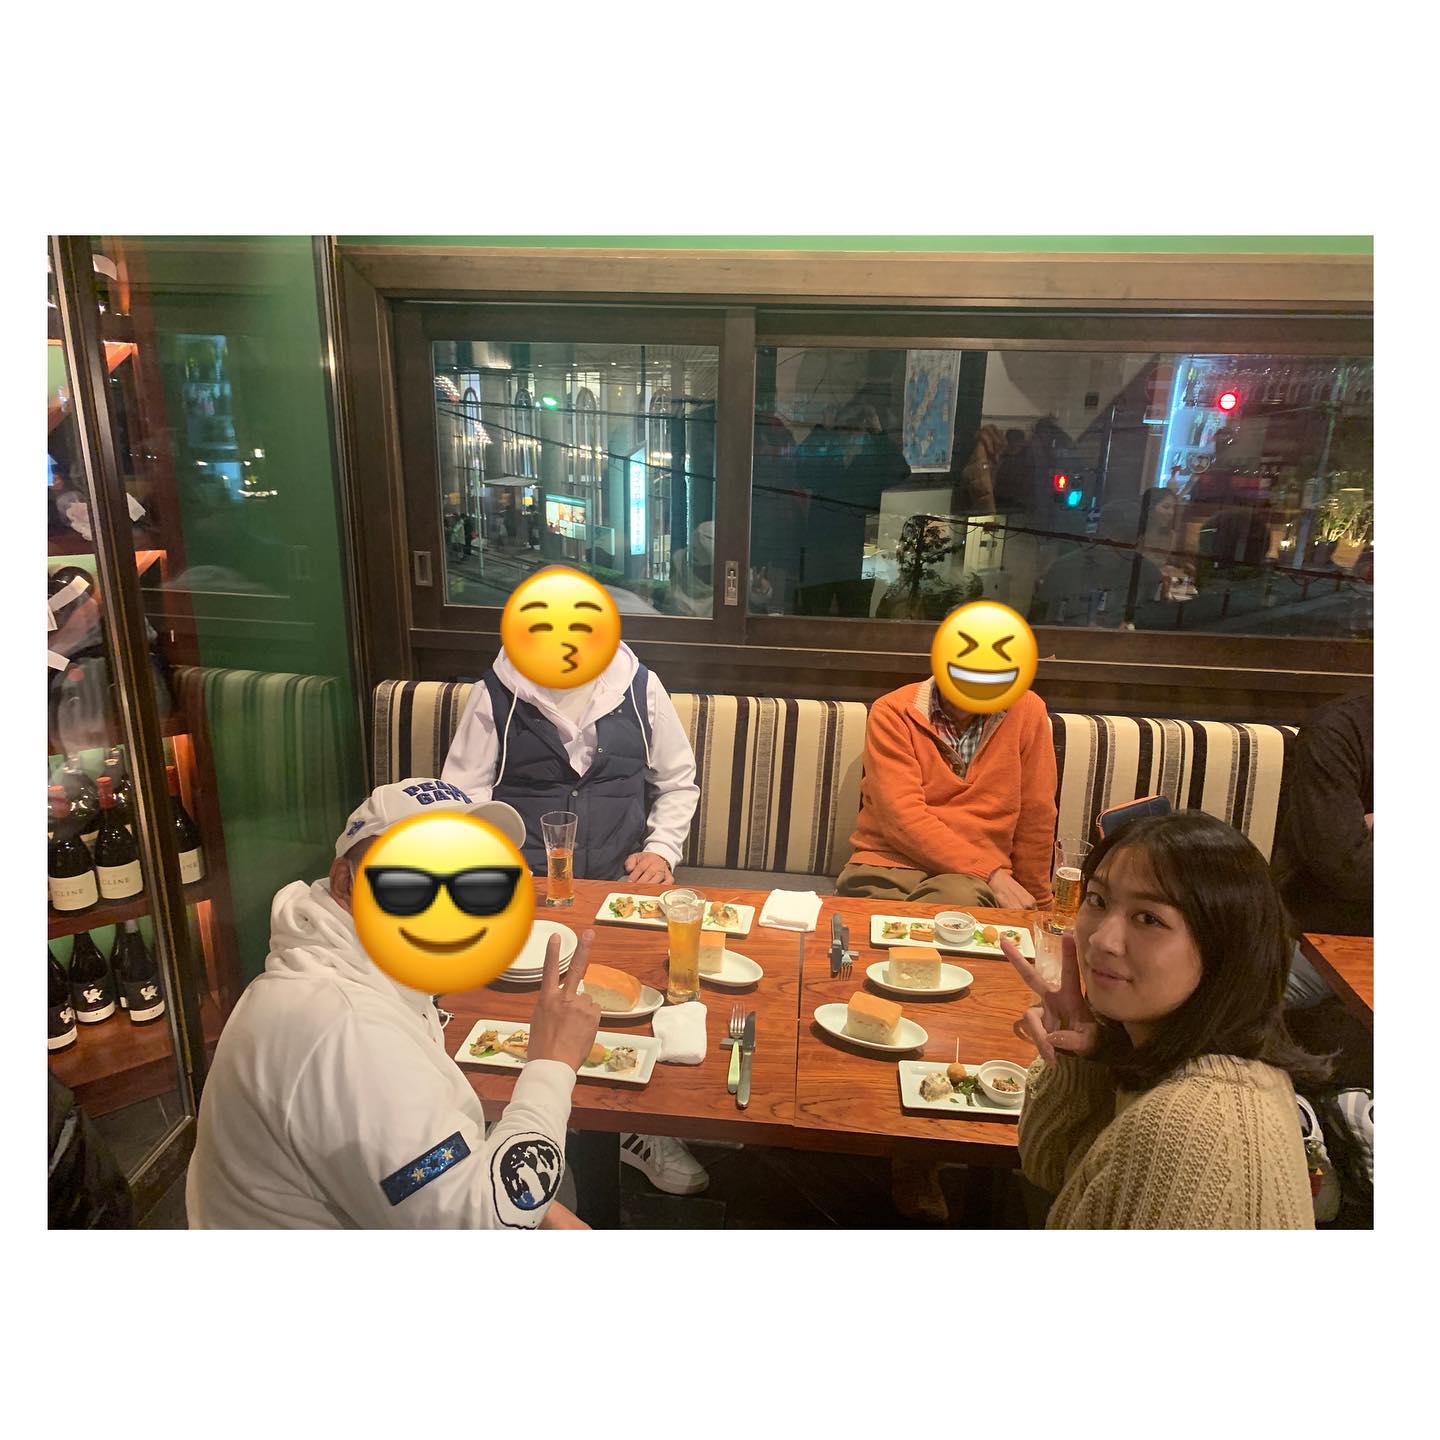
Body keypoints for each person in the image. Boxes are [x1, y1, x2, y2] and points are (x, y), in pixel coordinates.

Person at [186, 780, 601, 1228]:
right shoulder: (345, 1028)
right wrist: (551, 1064)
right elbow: (485, 1223)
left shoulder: (341, 973)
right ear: (345, 882)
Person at [441, 615, 710, 1198]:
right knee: (515, 1003)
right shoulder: (496, 692)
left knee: (634, 996)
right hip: (528, 883)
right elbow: (463, 794)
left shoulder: (639, 686)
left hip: (621, 879)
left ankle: (634, 1126)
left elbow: (678, 780)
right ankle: (518, 1127)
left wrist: (661, 851)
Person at [1005, 810, 1327, 1228]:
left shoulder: (1189, 1125)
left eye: (1148, 918)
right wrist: (1081, 1055)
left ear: (1224, 947)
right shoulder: (1162, 1051)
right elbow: (1047, 1168)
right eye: (1098, 900)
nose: (1102, 939)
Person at [836, 672, 1057, 909]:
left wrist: (1040, 906)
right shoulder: (893, 711)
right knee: (948, 908)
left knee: (960, 899)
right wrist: (991, 875)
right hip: (888, 867)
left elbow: (1035, 818)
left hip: (972, 885)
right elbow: (901, 818)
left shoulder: (1026, 711)